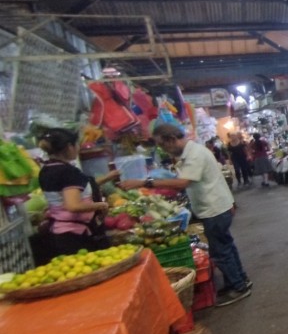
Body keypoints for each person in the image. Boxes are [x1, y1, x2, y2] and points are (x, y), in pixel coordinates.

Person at [120, 124, 252, 306]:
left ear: (172, 139)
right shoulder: (192, 152)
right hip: (217, 206)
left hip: (214, 208)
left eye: (163, 145)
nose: (163, 149)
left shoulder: (194, 154)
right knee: (226, 245)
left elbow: (183, 183)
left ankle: (238, 287)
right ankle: (240, 280)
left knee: (221, 250)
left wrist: (145, 182)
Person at [34, 128, 120, 265]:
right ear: (69, 146)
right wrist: (101, 205)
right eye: (77, 144)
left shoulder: (46, 170)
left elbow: (77, 189)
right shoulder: (68, 172)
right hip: (75, 235)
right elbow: (73, 206)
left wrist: (106, 178)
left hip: (59, 233)